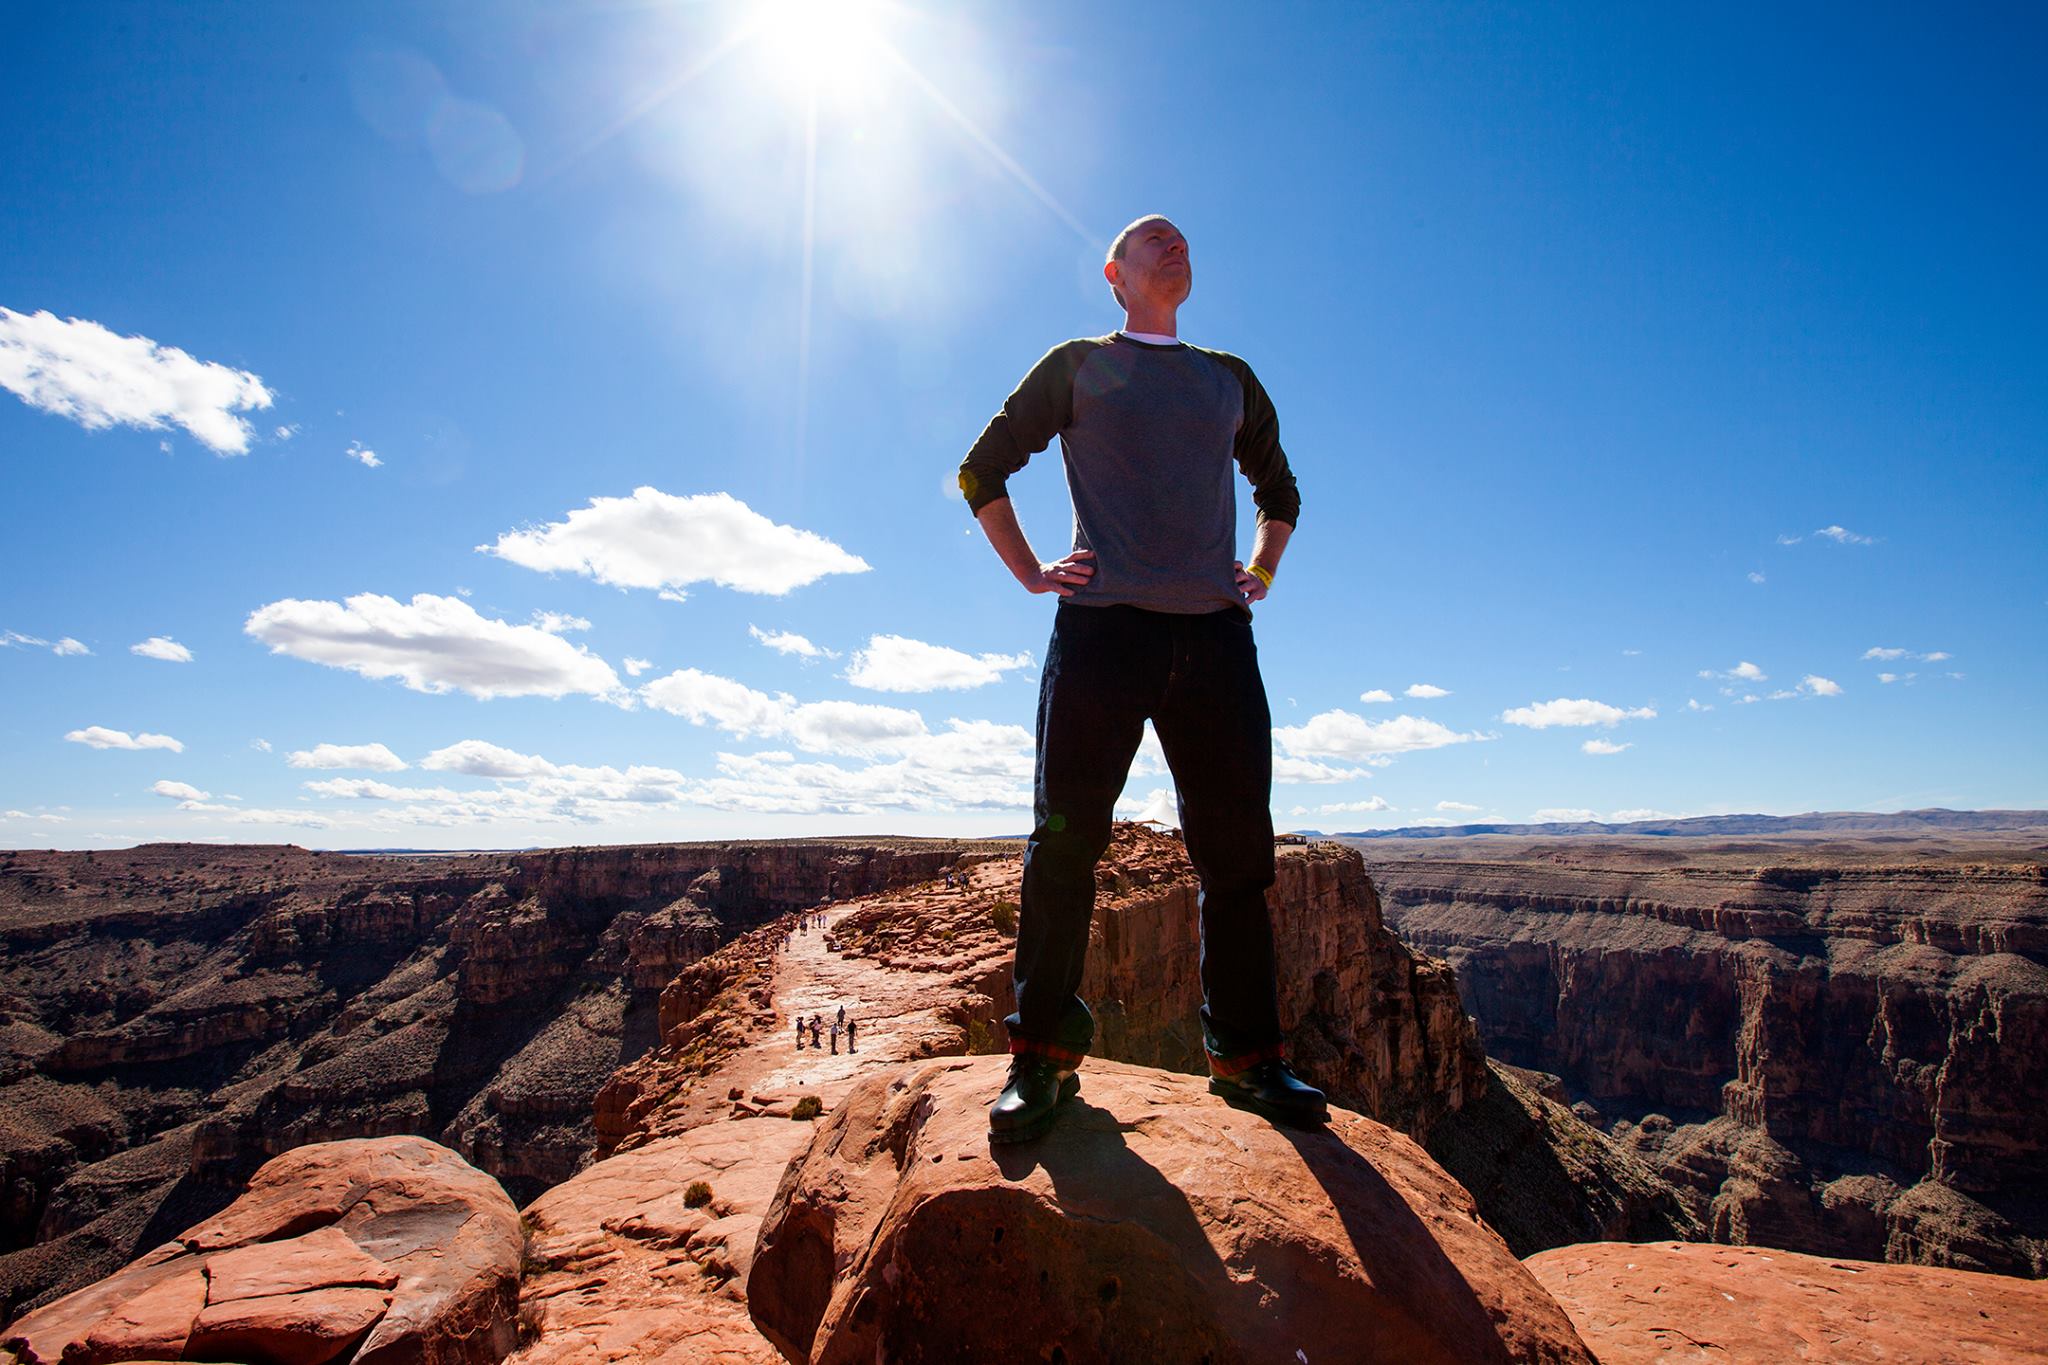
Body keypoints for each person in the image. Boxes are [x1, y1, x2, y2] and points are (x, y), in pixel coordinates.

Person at [959, 214, 1328, 1144]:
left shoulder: (1229, 379)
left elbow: (1280, 493)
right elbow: (983, 468)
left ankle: (1248, 1059)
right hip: (1101, 634)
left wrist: (1263, 569)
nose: (1178, 246)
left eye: (1185, 240)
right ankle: (1040, 1058)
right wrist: (1034, 570)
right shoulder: (1079, 364)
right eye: (1154, 240)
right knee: (1064, 846)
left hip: (1215, 640)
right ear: (1115, 274)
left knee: (1239, 858)